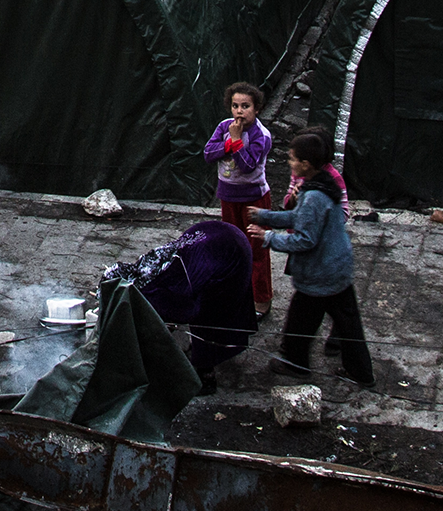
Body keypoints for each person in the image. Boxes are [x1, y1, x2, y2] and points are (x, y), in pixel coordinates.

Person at [248, 131, 374, 386]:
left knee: (299, 322)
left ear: (306, 164)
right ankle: (361, 373)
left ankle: (296, 365)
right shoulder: (322, 182)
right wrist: (266, 216)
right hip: (337, 267)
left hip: (319, 274)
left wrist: (269, 237)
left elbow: (304, 239)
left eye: (293, 159)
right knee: (349, 325)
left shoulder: (313, 195)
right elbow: (299, 217)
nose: (289, 163)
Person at [100, 219, 255, 383]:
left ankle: (205, 375)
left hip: (229, 257)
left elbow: (187, 311)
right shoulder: (149, 270)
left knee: (208, 315)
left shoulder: (155, 290)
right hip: (224, 238)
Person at [203, 82, 275, 316]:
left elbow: (247, 166)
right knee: (232, 246)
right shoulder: (224, 127)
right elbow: (208, 153)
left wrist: (235, 141)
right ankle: (236, 292)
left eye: (246, 106)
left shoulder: (260, 135)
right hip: (228, 197)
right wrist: (229, 141)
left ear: (256, 109)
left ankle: (261, 300)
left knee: (256, 249)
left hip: (254, 199)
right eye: (235, 106)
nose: (239, 112)